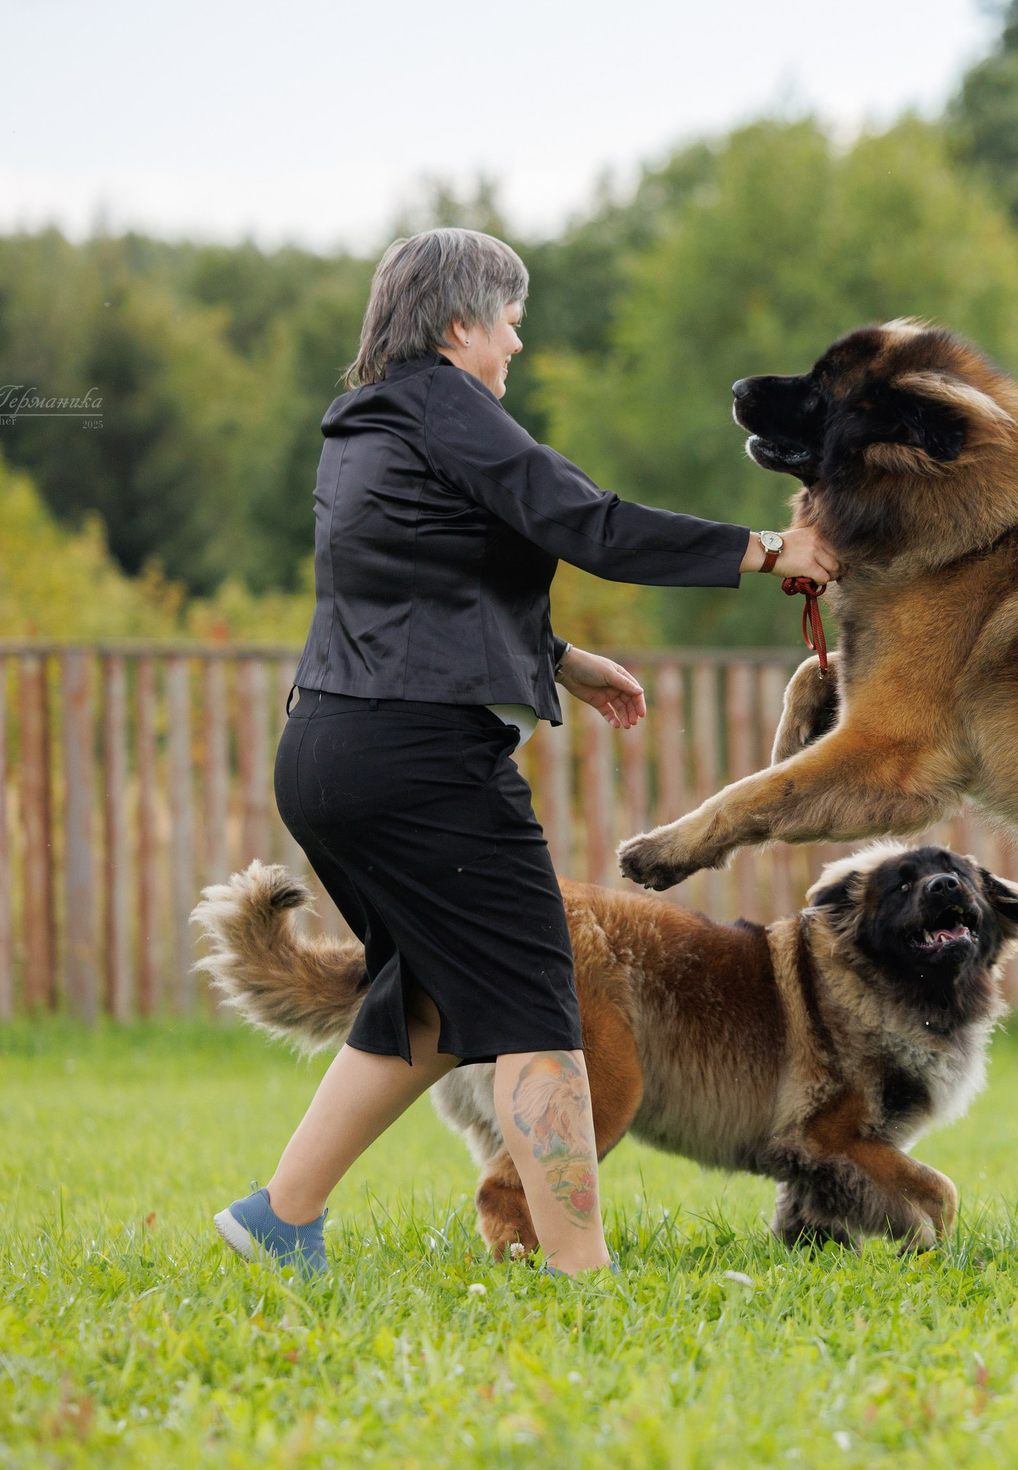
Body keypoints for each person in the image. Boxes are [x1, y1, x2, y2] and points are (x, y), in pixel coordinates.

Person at [213, 227, 839, 1277]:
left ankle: (280, 1217)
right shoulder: (449, 407)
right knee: (538, 1008)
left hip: (327, 752)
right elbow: (587, 523)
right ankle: (579, 1271)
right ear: (459, 324)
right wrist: (767, 548)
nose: (515, 345)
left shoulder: (366, 427)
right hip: (422, 760)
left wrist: (560, 660)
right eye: (509, 323)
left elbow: (419, 581)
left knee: (431, 996)